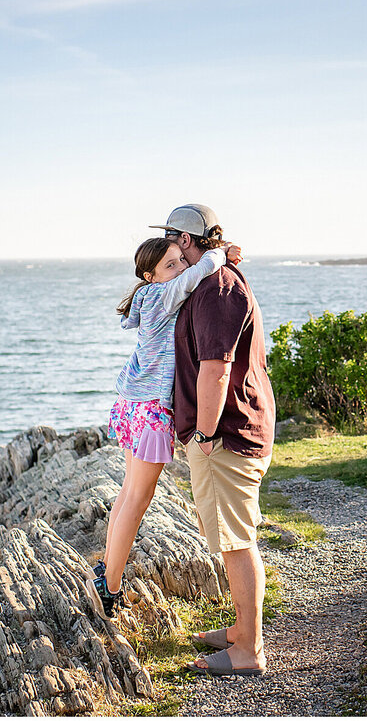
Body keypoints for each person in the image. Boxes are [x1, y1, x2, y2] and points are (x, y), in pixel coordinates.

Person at [88, 235, 241, 617]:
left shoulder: (150, 296)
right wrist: (220, 255)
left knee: (128, 492)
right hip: (151, 409)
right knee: (138, 498)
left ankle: (106, 570)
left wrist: (212, 259)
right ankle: (109, 587)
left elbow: (192, 276)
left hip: (132, 403)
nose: (180, 269)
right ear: (150, 275)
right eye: (170, 265)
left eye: (180, 261)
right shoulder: (161, 296)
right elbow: (199, 273)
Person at [153, 204, 275, 678]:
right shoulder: (213, 280)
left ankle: (248, 649)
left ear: (186, 239)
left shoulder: (216, 289)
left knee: (237, 542)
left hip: (224, 435)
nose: (167, 243)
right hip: (232, 431)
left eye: (169, 236)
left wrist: (203, 433)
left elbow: (216, 368)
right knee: (231, 539)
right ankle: (242, 631)